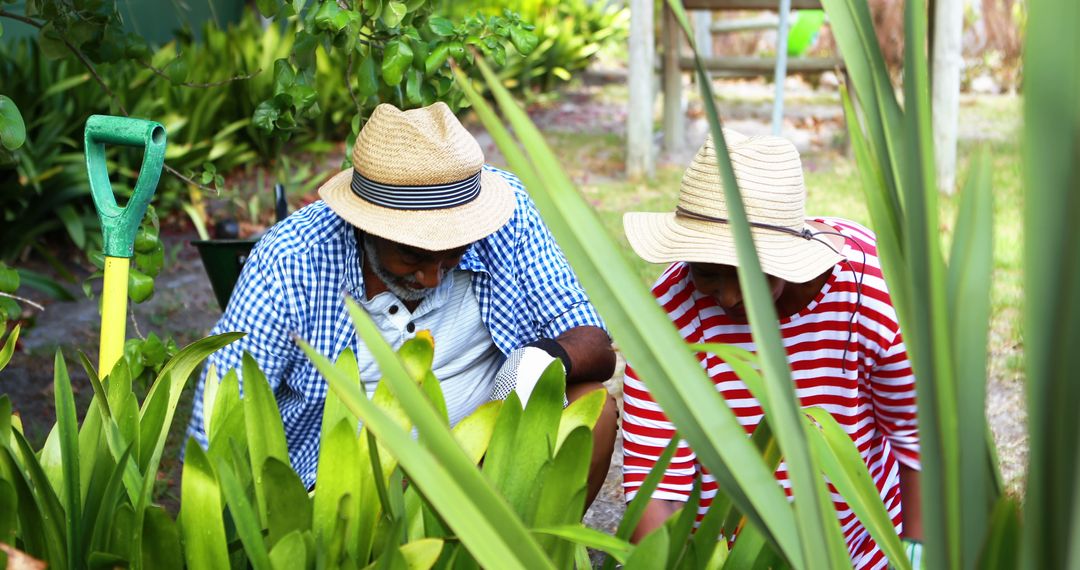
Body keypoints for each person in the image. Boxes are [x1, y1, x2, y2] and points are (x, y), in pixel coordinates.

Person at [186, 102, 617, 505]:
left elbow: (594, 343)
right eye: (412, 256)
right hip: (348, 493)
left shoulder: (505, 215)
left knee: (592, 408)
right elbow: (221, 410)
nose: (431, 277)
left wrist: (536, 363)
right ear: (365, 226)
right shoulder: (292, 260)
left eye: (452, 254)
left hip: (487, 460)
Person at [620, 131, 922, 568]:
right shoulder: (668, 315)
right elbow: (656, 483)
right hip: (720, 554)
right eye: (706, 271)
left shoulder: (869, 293)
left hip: (859, 551)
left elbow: (916, 441)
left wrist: (916, 554)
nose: (725, 297)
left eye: (746, 273)